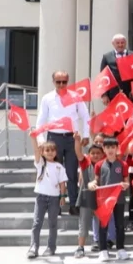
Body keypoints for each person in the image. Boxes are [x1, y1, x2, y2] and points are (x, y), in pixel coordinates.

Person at [35, 70, 89, 215]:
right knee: (53, 172)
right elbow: (41, 119)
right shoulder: (47, 98)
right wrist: (40, 139)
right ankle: (55, 205)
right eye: (58, 82)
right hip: (54, 138)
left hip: (72, 138)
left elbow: (85, 115)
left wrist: (86, 134)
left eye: (64, 82)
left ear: (68, 81)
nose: (61, 85)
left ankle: (73, 204)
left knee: (71, 172)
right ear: (53, 82)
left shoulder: (75, 96)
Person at [88, 138, 130, 261]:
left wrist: (126, 184)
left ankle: (121, 248)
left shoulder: (123, 164)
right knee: (103, 224)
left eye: (113, 147)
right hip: (104, 200)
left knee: (120, 224)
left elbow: (127, 181)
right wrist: (92, 184)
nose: (110, 150)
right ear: (104, 149)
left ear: (117, 149)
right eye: (108, 148)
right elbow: (96, 179)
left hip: (119, 198)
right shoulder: (99, 165)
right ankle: (103, 250)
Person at [28, 135, 67, 259]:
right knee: (37, 222)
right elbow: (35, 150)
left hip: (54, 198)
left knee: (52, 223)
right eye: (47, 150)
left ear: (56, 152)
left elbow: (62, 183)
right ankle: (33, 247)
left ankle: (51, 247)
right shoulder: (40, 163)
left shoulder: (59, 167)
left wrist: (62, 196)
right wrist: (33, 138)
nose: (50, 153)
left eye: (52, 150)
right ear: (43, 152)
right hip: (41, 197)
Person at [72, 134, 105, 259]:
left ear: (102, 155)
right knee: (83, 223)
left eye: (98, 153)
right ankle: (80, 247)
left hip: (100, 198)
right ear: (89, 154)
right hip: (86, 197)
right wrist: (77, 140)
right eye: (93, 153)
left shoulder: (104, 165)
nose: (95, 155)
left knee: (101, 223)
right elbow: (78, 151)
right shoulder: (85, 163)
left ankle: (102, 247)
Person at [99, 33, 132, 99]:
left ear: (125, 43)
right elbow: (103, 77)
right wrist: (104, 95)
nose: (120, 45)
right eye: (118, 43)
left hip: (130, 93)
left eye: (122, 42)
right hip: (113, 93)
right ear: (113, 44)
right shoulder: (107, 57)